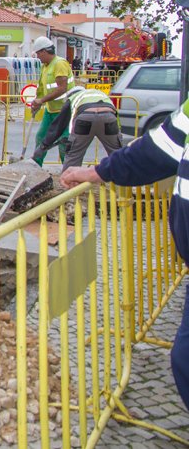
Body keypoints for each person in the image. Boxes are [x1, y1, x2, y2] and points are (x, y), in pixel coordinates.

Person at [61, 99, 189, 412]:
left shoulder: (73, 102)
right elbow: (159, 149)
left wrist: (71, 163)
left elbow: (60, 127)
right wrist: (99, 172)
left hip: (90, 122)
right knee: (184, 357)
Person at [33, 86, 121, 171]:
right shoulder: (98, 94)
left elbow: (59, 124)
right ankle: (124, 182)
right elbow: (116, 119)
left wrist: (44, 145)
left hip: (85, 117)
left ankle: (70, 182)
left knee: (74, 155)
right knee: (117, 153)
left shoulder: (72, 98)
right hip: (108, 117)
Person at [31, 35, 75, 166]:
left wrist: (42, 100)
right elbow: (42, 87)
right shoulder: (45, 66)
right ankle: (36, 166)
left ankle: (67, 170)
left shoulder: (59, 64)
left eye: (38, 53)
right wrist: (37, 102)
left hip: (65, 110)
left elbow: (62, 88)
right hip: (51, 109)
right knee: (41, 137)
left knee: (64, 141)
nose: (37, 57)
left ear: (44, 51)